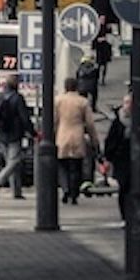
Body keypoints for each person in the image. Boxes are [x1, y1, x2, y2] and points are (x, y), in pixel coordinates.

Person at [0, 75, 35, 200]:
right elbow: (24, 118)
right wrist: (32, 132)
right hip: (15, 134)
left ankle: (16, 191)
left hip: (2, 134)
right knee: (14, 162)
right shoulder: (17, 98)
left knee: (11, 164)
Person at [54, 75, 97, 205]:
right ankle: (74, 193)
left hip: (62, 135)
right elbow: (90, 123)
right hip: (77, 135)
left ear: (65, 87)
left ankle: (65, 188)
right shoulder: (82, 102)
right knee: (76, 166)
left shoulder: (58, 100)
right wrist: (94, 140)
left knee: (62, 165)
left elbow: (54, 120)